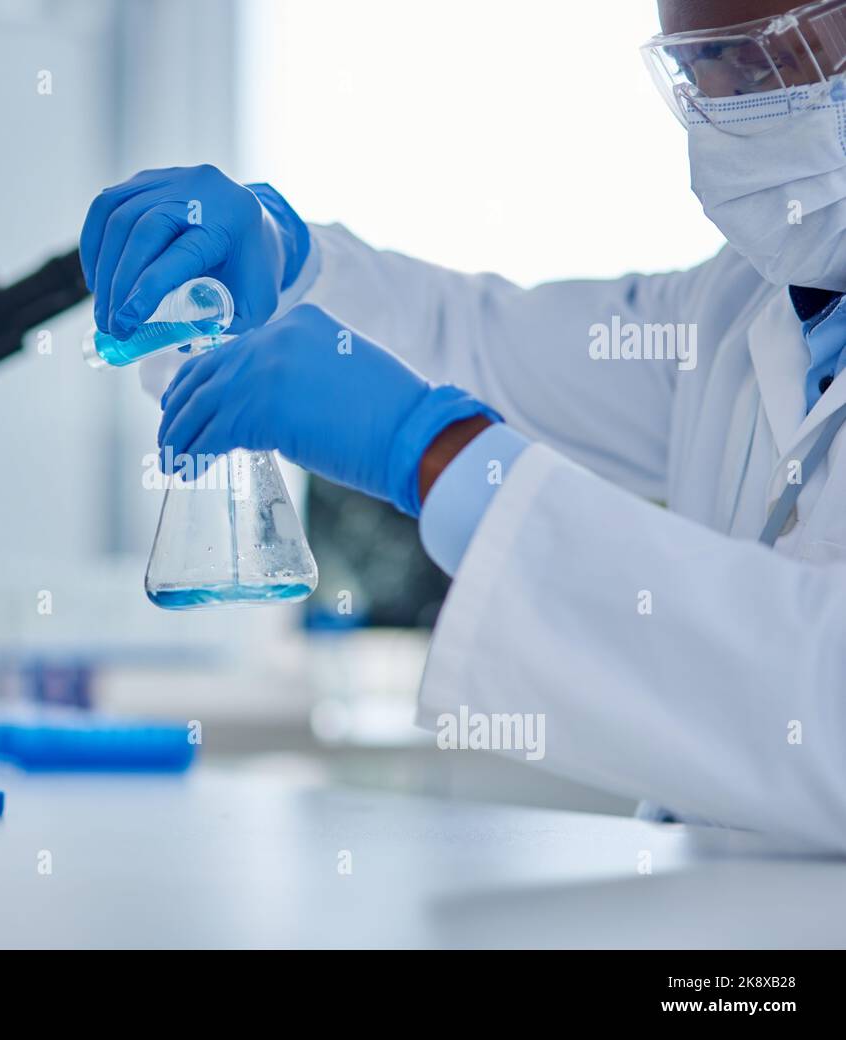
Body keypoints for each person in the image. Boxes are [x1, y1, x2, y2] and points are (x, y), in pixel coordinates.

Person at [79, 0, 846, 851]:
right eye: (700, 68)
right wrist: (286, 262)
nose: (725, 105)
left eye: (769, 62)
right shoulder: (739, 311)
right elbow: (480, 342)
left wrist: (430, 447)